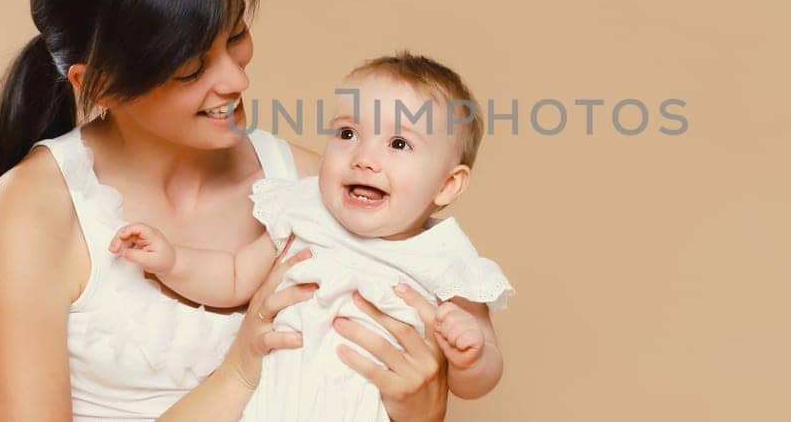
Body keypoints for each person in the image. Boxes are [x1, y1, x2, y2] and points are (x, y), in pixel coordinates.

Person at [0, 0, 451, 421]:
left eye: (237, 35)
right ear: (100, 85)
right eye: (192, 70)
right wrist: (240, 372)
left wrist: (423, 406)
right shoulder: (35, 211)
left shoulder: (316, 188)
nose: (237, 79)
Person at [110, 53, 513, 421]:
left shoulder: (445, 258)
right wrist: (173, 261)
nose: (364, 158)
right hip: (271, 406)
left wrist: (470, 354)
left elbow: (477, 379)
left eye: (398, 143)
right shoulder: (304, 211)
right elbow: (234, 277)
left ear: (447, 185)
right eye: (347, 134)